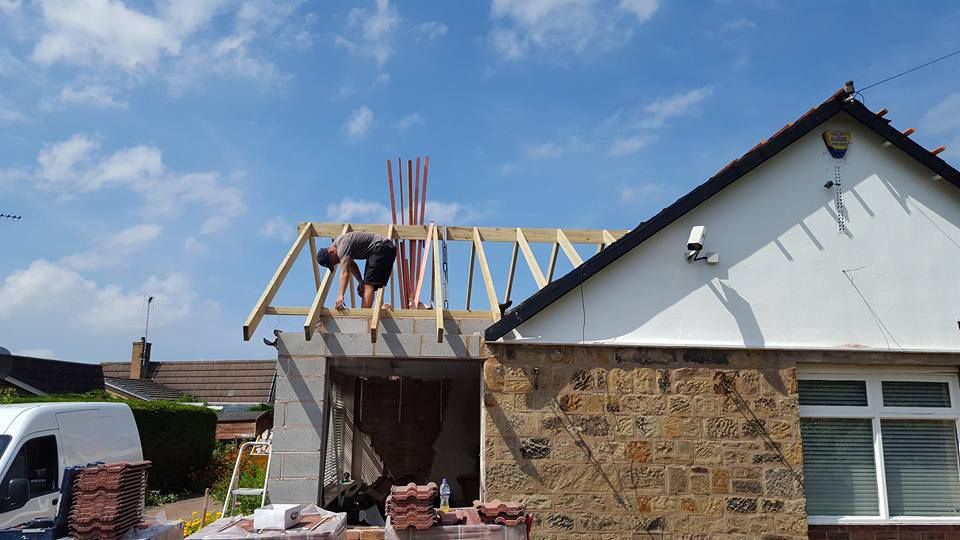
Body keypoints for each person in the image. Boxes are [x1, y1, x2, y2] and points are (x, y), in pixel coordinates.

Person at [316, 231, 396, 309]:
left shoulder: (342, 246)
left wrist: (340, 295)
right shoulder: (342, 247)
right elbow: (351, 265)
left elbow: (344, 272)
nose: (336, 262)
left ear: (331, 251)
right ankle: (366, 314)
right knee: (367, 284)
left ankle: (364, 317)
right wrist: (360, 281)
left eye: (333, 261)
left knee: (369, 284)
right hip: (382, 249)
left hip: (381, 247)